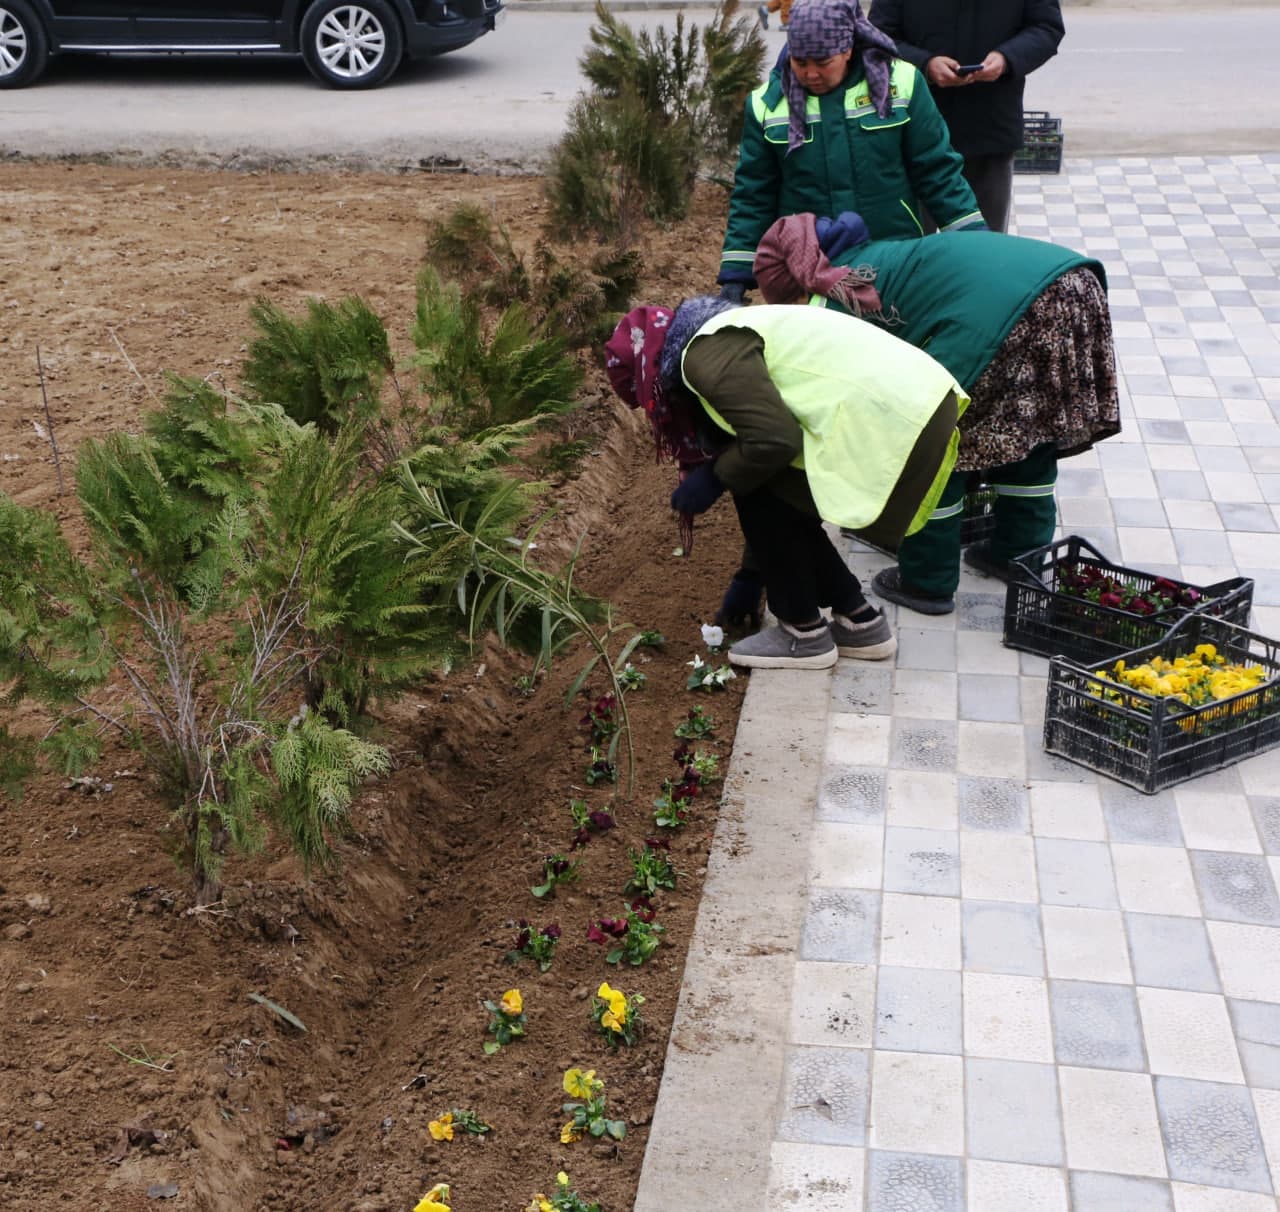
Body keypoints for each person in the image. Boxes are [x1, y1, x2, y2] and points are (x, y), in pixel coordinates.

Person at [752, 210, 1119, 614]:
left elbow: (861, 396)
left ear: (795, 288)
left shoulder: (837, 298)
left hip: (1001, 311)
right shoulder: (871, 257)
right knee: (1026, 426)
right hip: (1072, 285)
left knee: (931, 436)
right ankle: (1017, 552)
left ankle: (927, 581)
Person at [603, 296, 968, 669]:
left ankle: (802, 632)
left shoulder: (703, 356)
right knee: (766, 484)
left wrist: (713, 479)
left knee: (756, 479)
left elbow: (775, 440)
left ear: (652, 374)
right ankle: (858, 619)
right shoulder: (716, 333)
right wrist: (751, 574)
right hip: (914, 404)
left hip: (896, 415)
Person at [718, 0, 985, 302]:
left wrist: (974, 239)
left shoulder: (902, 85)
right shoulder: (767, 105)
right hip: (807, 269)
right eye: (800, 62)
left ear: (847, 49)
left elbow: (937, 171)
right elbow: (754, 194)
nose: (811, 74)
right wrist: (736, 273)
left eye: (822, 62)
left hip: (893, 259)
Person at [872, 0, 1065, 233]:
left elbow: (1046, 27)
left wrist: (1006, 58)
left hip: (991, 127)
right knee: (916, 245)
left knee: (986, 245)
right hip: (914, 131)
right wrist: (925, 64)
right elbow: (876, 35)